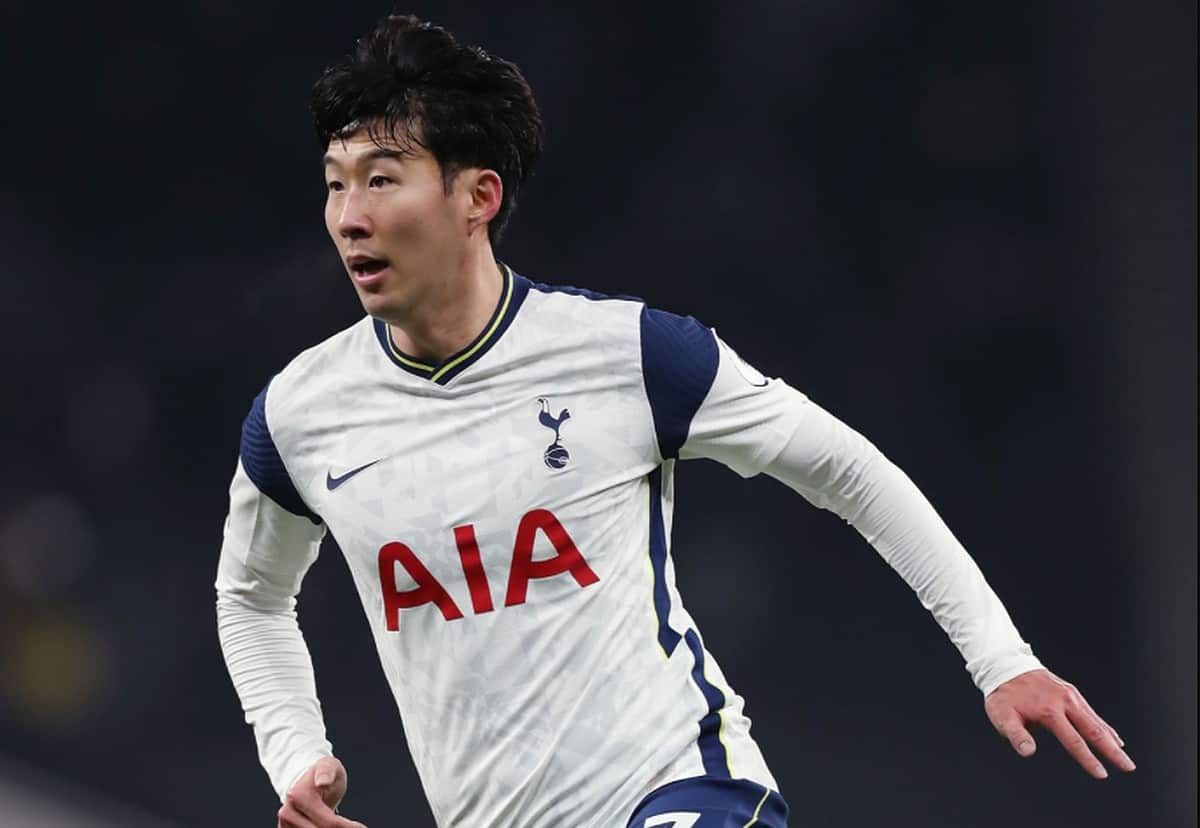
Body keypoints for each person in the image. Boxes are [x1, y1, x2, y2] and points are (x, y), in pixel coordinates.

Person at [215, 13, 1135, 828]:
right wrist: (295, 755)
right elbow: (251, 597)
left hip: (682, 789)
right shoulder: (302, 414)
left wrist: (1001, 658)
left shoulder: (633, 355)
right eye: (336, 185)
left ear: (476, 198)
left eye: (382, 180)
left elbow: (848, 471)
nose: (349, 218)